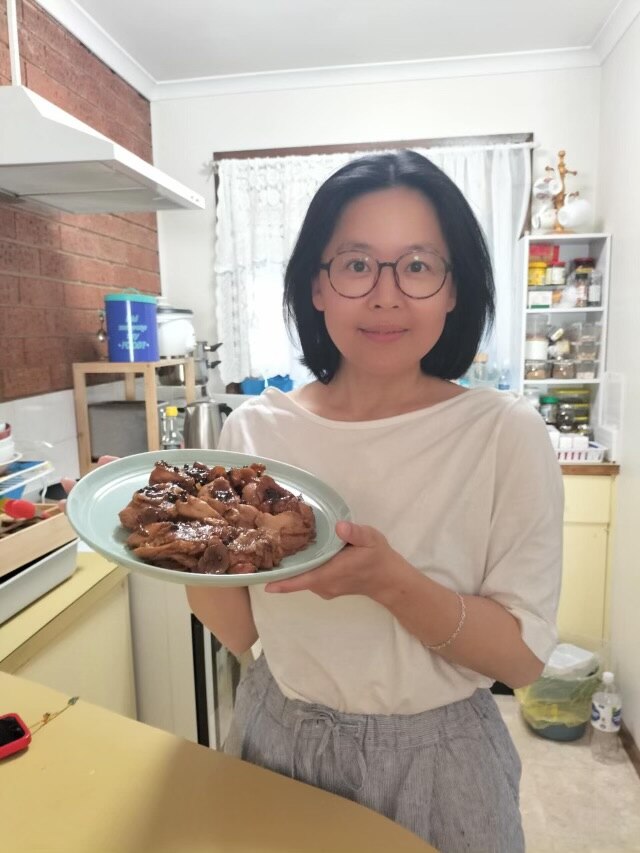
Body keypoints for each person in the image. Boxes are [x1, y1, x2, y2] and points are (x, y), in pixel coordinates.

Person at [199, 151, 563, 851]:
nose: (386, 295)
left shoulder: (503, 434)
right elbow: (243, 632)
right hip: (275, 734)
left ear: (455, 291)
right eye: (357, 263)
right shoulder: (254, 431)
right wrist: (173, 542)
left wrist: (389, 581)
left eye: (419, 265)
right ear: (317, 284)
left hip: (439, 759)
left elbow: (521, 661)